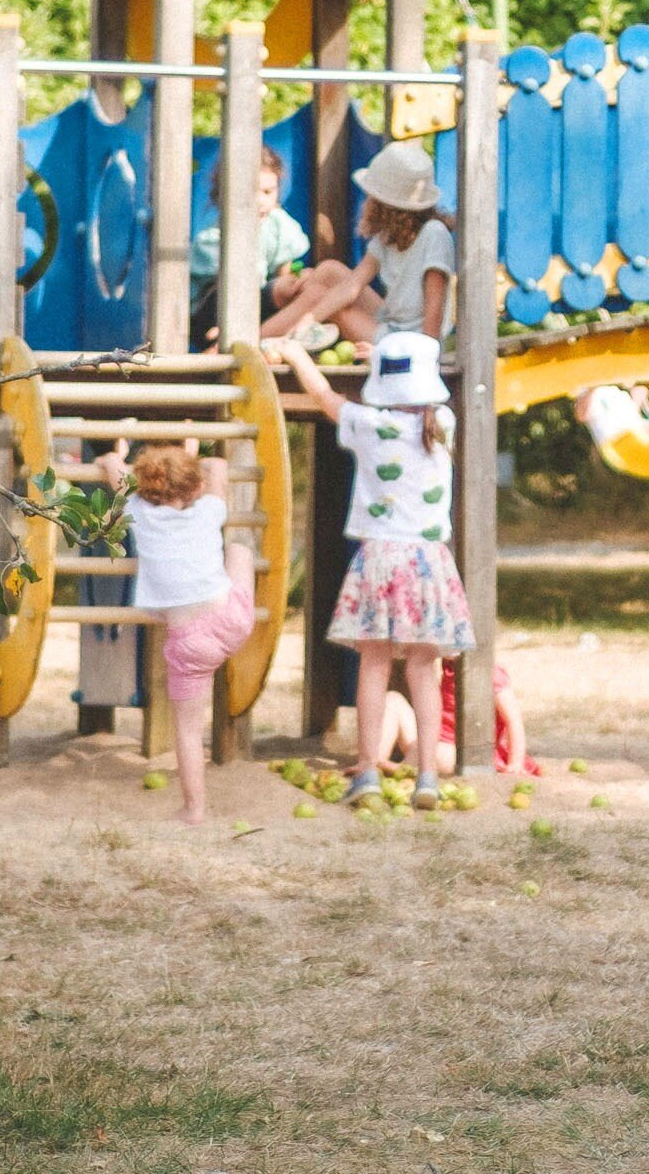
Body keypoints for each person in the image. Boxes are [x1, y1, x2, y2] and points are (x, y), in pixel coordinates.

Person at [270, 330, 471, 809]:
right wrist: (383, 360)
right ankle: (427, 776)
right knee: (424, 668)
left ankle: (367, 771)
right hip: (430, 561)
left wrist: (297, 355)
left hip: (380, 558)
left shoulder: (366, 424)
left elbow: (323, 395)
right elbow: (411, 390)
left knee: (374, 665)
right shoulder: (443, 421)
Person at [91, 439, 256, 826]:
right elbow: (218, 470)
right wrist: (202, 456)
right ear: (196, 488)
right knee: (239, 552)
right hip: (230, 622)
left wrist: (112, 458)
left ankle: (193, 808)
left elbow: (116, 474)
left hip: (188, 643)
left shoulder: (137, 511)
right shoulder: (209, 509)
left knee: (188, 729)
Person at [261, 143, 453, 347]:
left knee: (326, 301)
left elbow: (435, 309)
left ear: (386, 205)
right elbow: (352, 286)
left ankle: (262, 339)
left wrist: (419, 357)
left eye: (372, 196)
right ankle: (285, 331)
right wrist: (308, 319)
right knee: (329, 271)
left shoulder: (433, 234)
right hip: (391, 320)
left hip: (408, 341)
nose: (367, 201)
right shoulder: (388, 235)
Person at [188, 145, 310, 345]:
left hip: (258, 308)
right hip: (214, 316)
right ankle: (226, 338)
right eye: (252, 192)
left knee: (309, 280)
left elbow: (284, 272)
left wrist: (293, 283)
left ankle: (284, 333)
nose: (261, 201)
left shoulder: (278, 224)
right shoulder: (213, 240)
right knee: (229, 290)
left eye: (268, 192)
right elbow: (232, 289)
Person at [383, 655, 538, 778]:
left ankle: (399, 769)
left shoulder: (489, 673)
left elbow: (513, 720)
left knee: (436, 753)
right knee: (393, 700)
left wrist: (515, 763)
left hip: (459, 752)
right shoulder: (448, 666)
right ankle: (377, 760)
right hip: (430, 741)